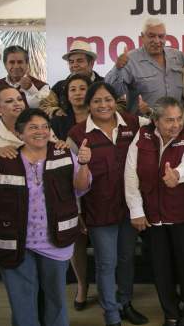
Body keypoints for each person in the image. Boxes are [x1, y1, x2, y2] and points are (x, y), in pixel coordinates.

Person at [0, 108, 91, 326]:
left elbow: (82, 187)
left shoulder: (64, 152)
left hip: (56, 244)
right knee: (22, 305)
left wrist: (84, 163)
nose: (40, 132)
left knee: (56, 302)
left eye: (44, 127)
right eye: (33, 127)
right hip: (15, 245)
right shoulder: (4, 160)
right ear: (19, 133)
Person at [66, 81, 149, 326]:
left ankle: (125, 303)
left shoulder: (132, 124)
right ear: (88, 104)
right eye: (97, 101)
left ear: (116, 101)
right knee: (106, 263)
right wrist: (78, 212)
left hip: (129, 207)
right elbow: (71, 181)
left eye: (108, 99)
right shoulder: (77, 134)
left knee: (126, 259)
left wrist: (151, 112)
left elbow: (162, 125)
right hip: (98, 211)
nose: (104, 105)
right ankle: (111, 314)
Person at [124, 97, 184, 326]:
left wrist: (178, 174)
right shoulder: (142, 136)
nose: (175, 125)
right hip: (152, 216)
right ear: (156, 120)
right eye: (169, 120)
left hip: (183, 215)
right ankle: (170, 312)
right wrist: (136, 211)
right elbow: (131, 175)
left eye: (179, 119)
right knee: (161, 267)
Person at [48, 73, 92, 310]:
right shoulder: (58, 122)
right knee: (77, 241)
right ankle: (82, 286)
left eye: (82, 88)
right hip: (70, 188)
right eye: (72, 89)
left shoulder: (102, 115)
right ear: (66, 95)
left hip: (102, 186)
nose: (77, 92)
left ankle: (110, 288)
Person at [105, 17, 184, 114]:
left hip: (176, 124)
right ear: (142, 36)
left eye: (161, 36)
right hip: (143, 125)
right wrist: (117, 68)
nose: (156, 41)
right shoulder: (130, 59)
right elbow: (112, 92)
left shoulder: (178, 56)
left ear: (165, 37)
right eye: (151, 36)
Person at [0, 45, 50, 125]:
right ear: (5, 65)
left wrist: (31, 89)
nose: (16, 66)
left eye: (20, 62)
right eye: (12, 62)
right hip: (0, 136)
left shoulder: (42, 87)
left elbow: (44, 112)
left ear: (27, 64)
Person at [41, 40, 104, 118]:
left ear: (91, 63)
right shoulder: (60, 86)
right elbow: (44, 106)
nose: (74, 65)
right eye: (71, 62)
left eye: (79, 61)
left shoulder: (104, 83)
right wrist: (55, 111)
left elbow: (120, 105)